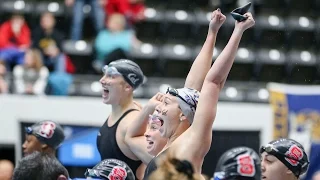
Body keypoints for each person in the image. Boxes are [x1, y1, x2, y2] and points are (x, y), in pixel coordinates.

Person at [126, 9, 255, 179]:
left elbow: (213, 83)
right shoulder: (164, 152)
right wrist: (212, 32)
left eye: (165, 103)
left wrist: (238, 31)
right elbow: (131, 137)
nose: (158, 108)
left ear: (182, 115)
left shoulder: (192, 142)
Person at [97, 59, 145, 179]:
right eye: (104, 74)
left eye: (111, 76)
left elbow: (159, 162)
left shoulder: (131, 122)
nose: (102, 80)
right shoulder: (116, 114)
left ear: (128, 86)